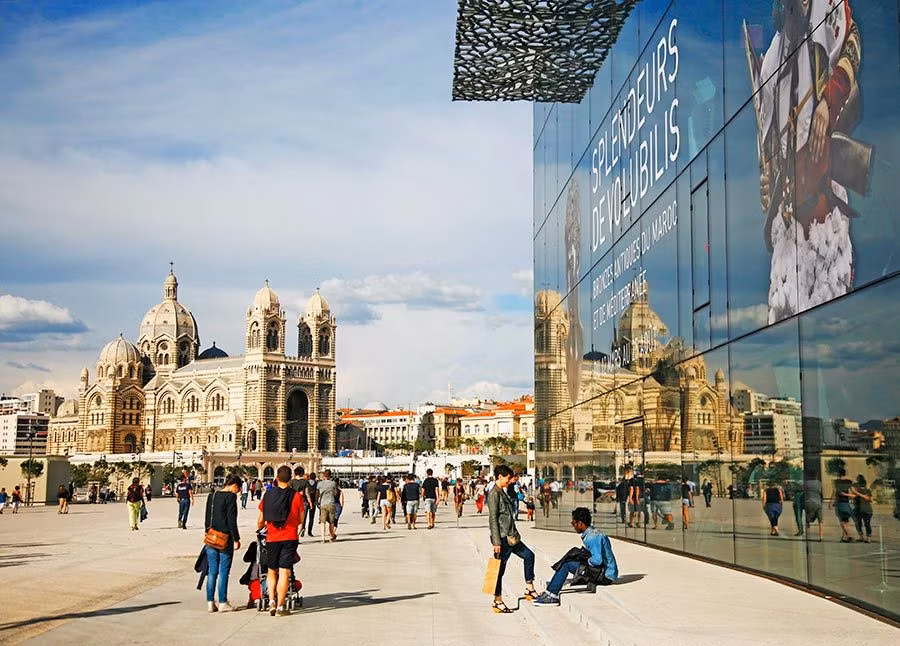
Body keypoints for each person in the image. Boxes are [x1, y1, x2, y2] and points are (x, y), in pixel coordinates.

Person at [533, 507, 619, 606]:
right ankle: (549, 591)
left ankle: (552, 595)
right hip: (602, 571)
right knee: (570, 558)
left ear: (581, 523)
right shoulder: (592, 533)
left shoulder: (592, 537)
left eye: (574, 523)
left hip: (605, 575)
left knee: (567, 565)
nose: (573, 526)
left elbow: (597, 560)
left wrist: (586, 560)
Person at [257, 465, 305, 616]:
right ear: (290, 479)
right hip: (289, 537)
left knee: (271, 571)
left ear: (276, 478)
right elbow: (301, 520)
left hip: (272, 538)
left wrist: (263, 528)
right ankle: (280, 607)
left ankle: (271, 601)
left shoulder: (267, 495)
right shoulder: (296, 496)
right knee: (285, 572)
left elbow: (260, 520)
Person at [488, 465, 536, 614]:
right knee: (498, 571)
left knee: (529, 555)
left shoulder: (502, 492)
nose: (510, 481)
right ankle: (498, 601)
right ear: (500, 477)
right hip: (502, 539)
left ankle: (530, 587)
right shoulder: (494, 494)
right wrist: (496, 542)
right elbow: (493, 519)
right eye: (508, 478)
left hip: (511, 537)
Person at [204, 475, 242, 613]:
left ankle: (210, 602)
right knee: (224, 571)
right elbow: (232, 520)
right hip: (224, 538)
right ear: (235, 486)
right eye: (237, 490)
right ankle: (222, 602)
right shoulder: (230, 498)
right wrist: (236, 539)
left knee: (212, 571)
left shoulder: (212, 496)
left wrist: (206, 531)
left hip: (211, 536)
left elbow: (208, 516)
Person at [833, 469, 856, 542]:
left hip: (840, 503)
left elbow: (837, 493)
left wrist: (832, 502)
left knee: (842, 521)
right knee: (846, 521)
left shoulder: (836, 482)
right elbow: (853, 491)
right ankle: (844, 537)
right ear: (845, 474)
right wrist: (855, 495)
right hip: (846, 503)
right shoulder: (849, 482)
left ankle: (848, 536)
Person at [317, 469, 339, 542]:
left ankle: (323, 538)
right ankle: (331, 536)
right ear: (330, 475)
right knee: (331, 521)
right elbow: (336, 493)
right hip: (331, 503)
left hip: (323, 504)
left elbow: (317, 494)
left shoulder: (320, 484)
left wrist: (317, 502)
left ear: (323, 475)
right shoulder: (333, 483)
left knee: (322, 521)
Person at [803, 471, 825, 541]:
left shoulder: (806, 483)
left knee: (808, 517)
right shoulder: (819, 483)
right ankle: (821, 536)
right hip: (818, 503)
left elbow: (804, 492)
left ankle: (808, 523)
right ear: (816, 476)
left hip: (808, 502)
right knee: (820, 520)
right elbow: (821, 493)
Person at [853, 475, 873, 543]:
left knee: (858, 523)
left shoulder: (858, 491)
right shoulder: (867, 490)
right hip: (868, 510)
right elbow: (870, 499)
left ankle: (861, 536)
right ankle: (868, 537)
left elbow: (854, 498)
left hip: (860, 510)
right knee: (867, 524)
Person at [304, 473, 318, 537]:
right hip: (313, 501)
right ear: (315, 477)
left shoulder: (306, 483)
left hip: (306, 501)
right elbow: (317, 493)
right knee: (311, 518)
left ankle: (302, 530)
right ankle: (310, 532)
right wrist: (316, 501)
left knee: (304, 517)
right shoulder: (316, 484)